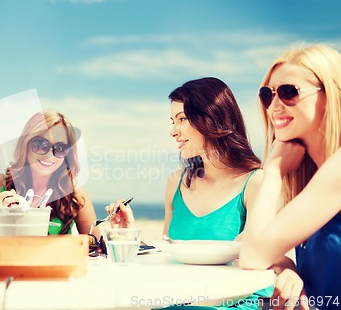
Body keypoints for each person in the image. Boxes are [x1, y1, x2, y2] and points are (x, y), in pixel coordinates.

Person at [107, 77, 273, 309]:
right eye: (172, 121)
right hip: (179, 300)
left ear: (212, 118)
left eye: (182, 119)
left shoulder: (255, 182)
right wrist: (130, 236)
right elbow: (168, 254)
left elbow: (256, 266)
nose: (173, 132)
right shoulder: (177, 182)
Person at [240, 44, 341, 310]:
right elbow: (255, 245)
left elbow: (251, 255)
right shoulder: (309, 177)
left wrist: (272, 170)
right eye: (267, 95)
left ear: (330, 96)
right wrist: (286, 266)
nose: (274, 106)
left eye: (288, 93)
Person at [0, 111, 100, 237]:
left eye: (60, 148)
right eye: (40, 145)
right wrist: (6, 223)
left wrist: (119, 226)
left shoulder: (75, 195)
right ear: (25, 145)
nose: (49, 155)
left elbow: (99, 247)